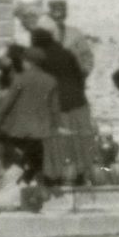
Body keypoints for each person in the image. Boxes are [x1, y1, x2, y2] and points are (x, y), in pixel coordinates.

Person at [30, 28, 94, 186]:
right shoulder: (67, 53)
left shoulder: (41, 58)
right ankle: (81, 176)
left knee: (57, 143)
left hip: (58, 106)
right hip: (79, 102)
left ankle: (57, 179)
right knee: (79, 141)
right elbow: (80, 77)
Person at [0, 47, 60, 185]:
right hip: (43, 131)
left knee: (6, 142)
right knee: (38, 155)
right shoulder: (51, 80)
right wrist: (58, 126)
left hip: (21, 131)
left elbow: (7, 104)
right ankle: (36, 178)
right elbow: (55, 108)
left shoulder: (20, 79)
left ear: (28, 62)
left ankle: (24, 177)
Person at [46, 0, 95, 79]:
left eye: (61, 14)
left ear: (65, 15)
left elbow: (87, 55)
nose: (58, 18)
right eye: (55, 14)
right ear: (51, 15)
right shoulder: (43, 35)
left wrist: (84, 73)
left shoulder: (75, 33)